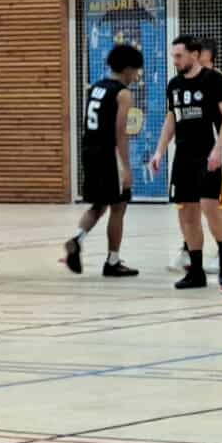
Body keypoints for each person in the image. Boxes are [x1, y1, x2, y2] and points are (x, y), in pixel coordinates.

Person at [147, 36, 222, 289]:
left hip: (208, 153)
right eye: (173, 56)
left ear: (194, 55)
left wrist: (218, 149)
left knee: (210, 206)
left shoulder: (215, 80)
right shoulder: (174, 84)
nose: (175, 61)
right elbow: (171, 119)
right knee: (187, 212)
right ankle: (196, 271)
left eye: (179, 56)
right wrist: (159, 151)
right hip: (183, 155)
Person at [65, 43, 143, 278]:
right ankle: (113, 260)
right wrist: (126, 167)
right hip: (109, 153)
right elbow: (121, 132)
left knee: (99, 204)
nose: (136, 76)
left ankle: (78, 238)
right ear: (128, 69)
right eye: (136, 71)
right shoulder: (123, 93)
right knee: (119, 206)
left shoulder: (96, 87)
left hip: (90, 150)